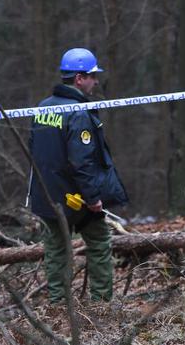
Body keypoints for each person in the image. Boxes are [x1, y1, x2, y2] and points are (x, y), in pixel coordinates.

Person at [28, 48, 129, 303]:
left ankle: (59, 305)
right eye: (93, 76)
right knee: (99, 244)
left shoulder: (42, 108)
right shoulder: (78, 112)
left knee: (55, 251)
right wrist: (93, 198)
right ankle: (102, 305)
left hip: (48, 196)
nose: (96, 81)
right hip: (78, 199)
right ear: (79, 78)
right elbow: (82, 161)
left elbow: (35, 152)